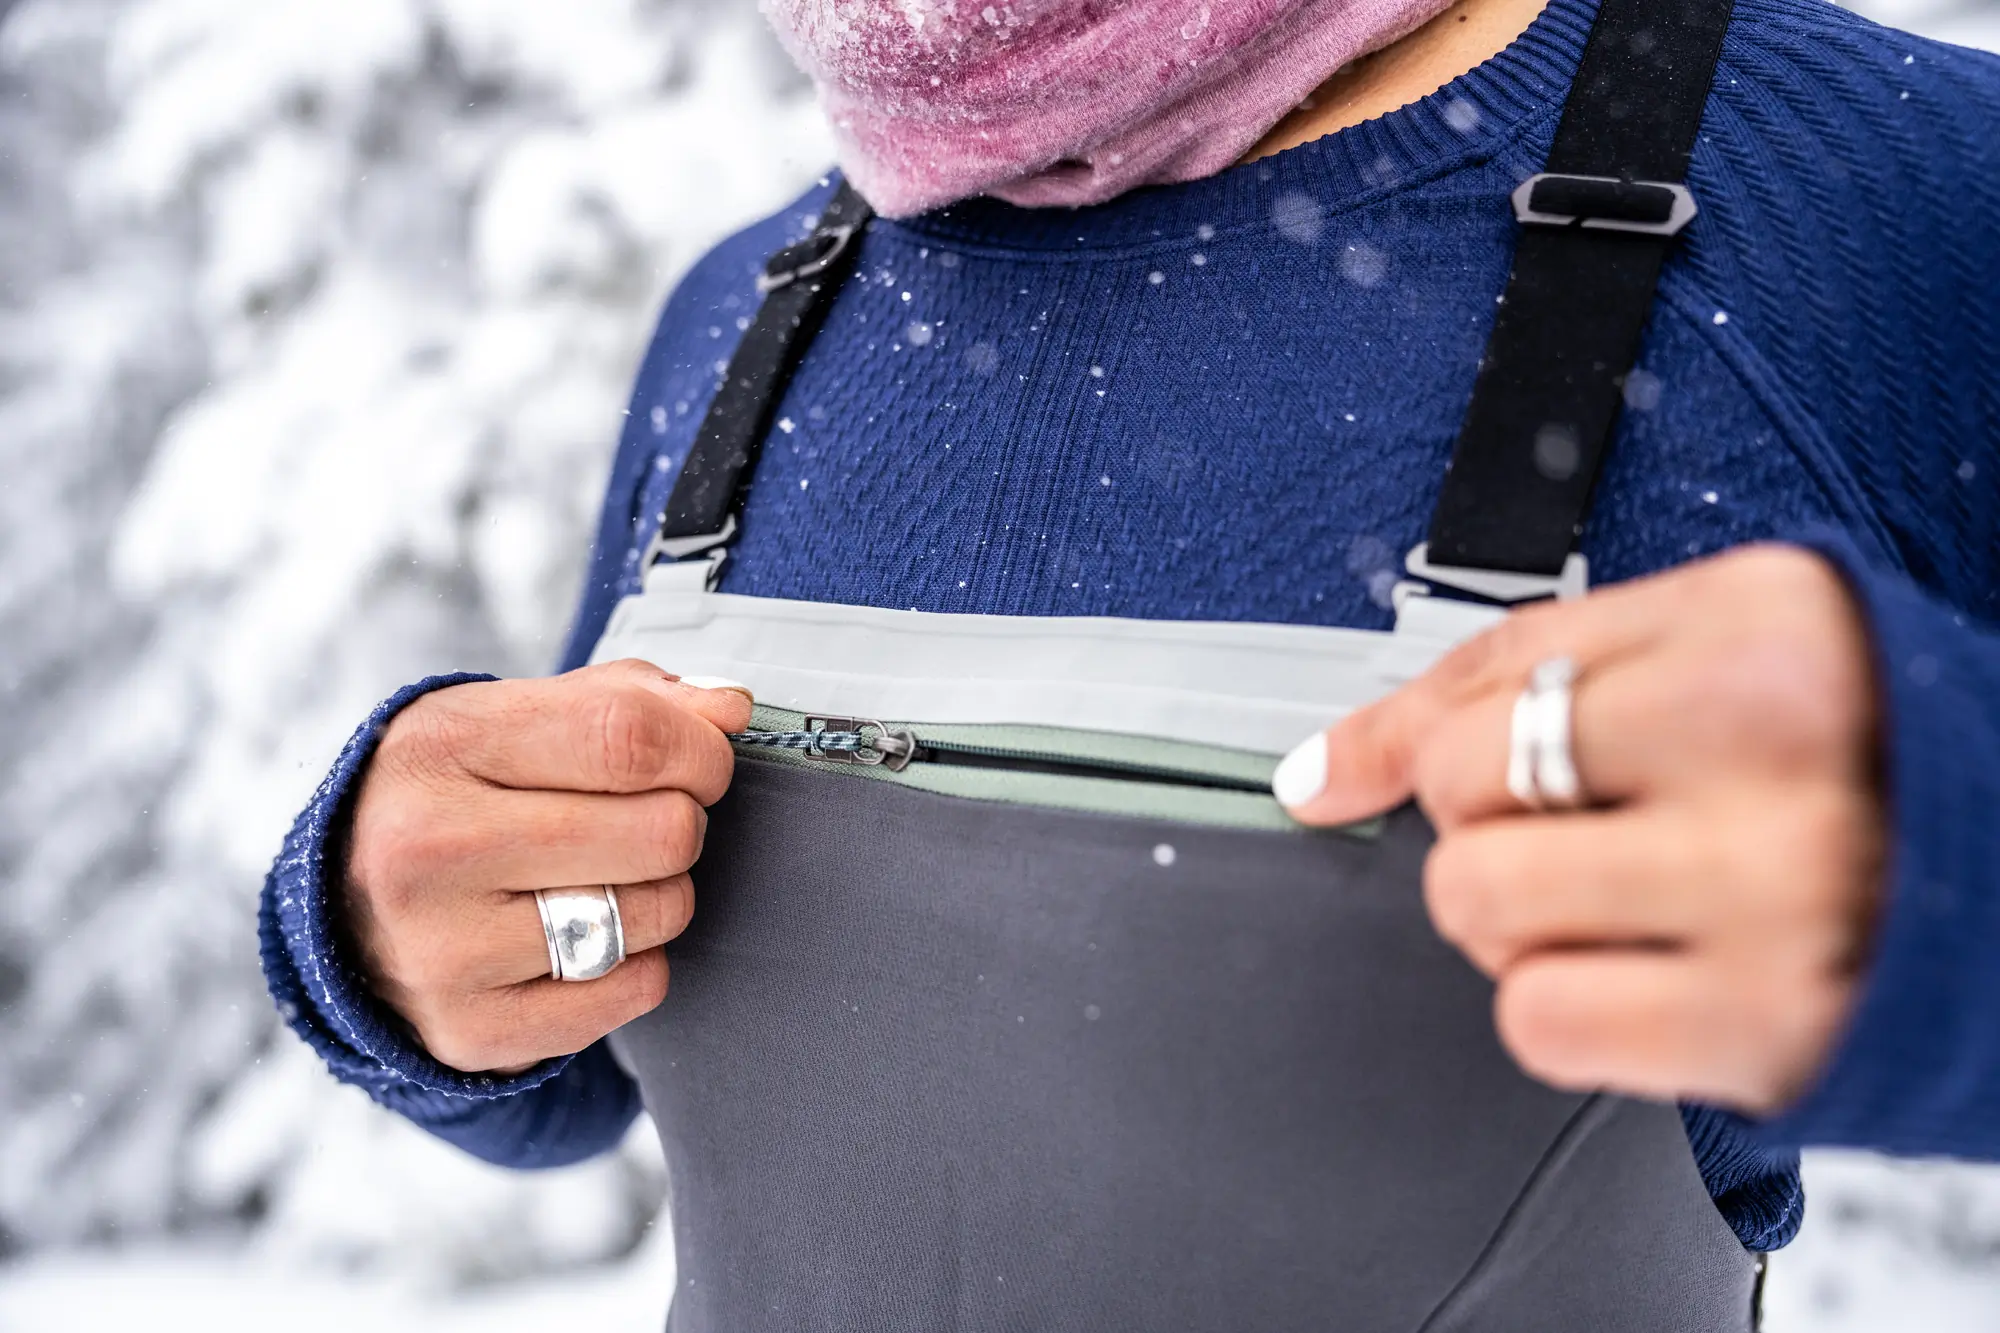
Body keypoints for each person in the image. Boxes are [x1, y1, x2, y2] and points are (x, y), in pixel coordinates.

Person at [261, 0, 2000, 1324]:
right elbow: (557, 1058)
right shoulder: (755, 306)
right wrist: (384, 931)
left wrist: (1956, 860)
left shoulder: (1872, 207)